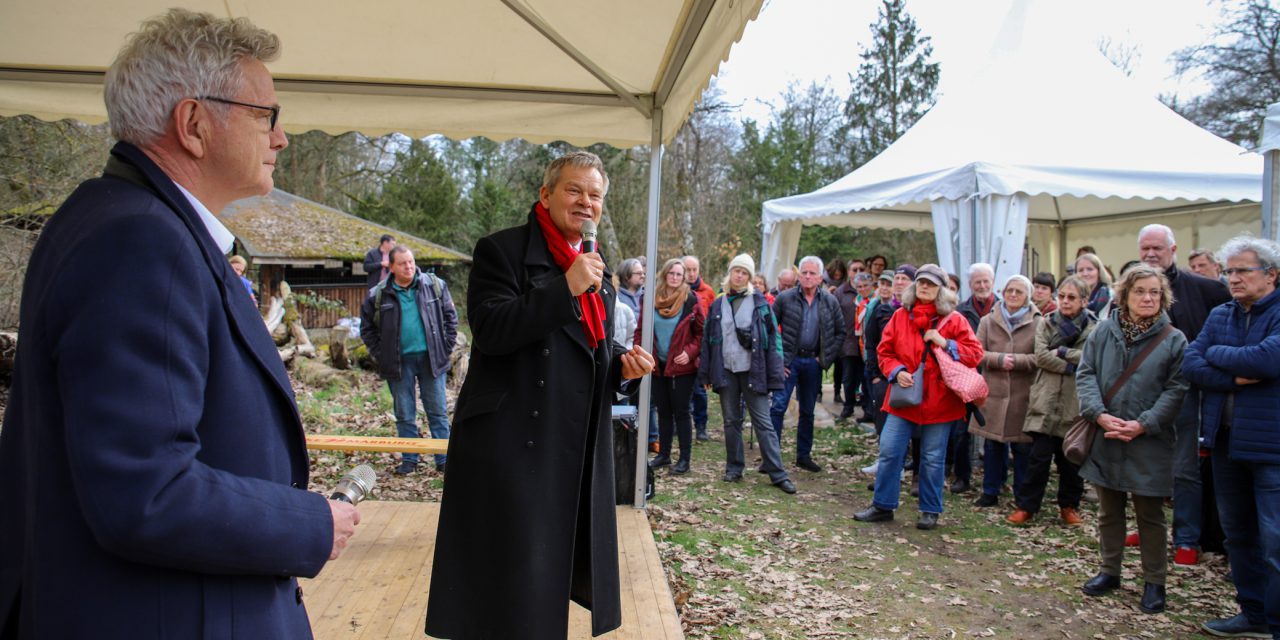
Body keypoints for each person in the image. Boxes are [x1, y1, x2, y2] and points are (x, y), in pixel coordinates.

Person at [0, 10, 358, 637]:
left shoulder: (119, 219)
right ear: (193, 124)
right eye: (266, 116)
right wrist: (310, 522)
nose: (281, 139)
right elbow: (146, 493)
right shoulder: (141, 242)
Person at [425, 151, 655, 639]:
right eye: (574, 191)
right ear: (546, 195)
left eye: (594, 195)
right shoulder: (501, 251)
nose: (585, 203)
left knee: (547, 575)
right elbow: (491, 331)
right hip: (511, 442)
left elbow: (586, 353)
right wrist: (564, 288)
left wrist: (621, 368)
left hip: (569, 440)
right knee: (508, 581)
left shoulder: (596, 270)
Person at [1076, 264, 1188, 615]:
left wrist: (1144, 424)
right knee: (1109, 510)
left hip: (1149, 440)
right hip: (1106, 433)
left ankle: (1155, 582)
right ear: (1125, 294)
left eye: (1154, 292)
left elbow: (1177, 389)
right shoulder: (1104, 331)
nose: (1148, 298)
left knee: (1150, 515)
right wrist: (1097, 413)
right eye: (1140, 291)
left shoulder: (1174, 339)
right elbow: (1086, 373)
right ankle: (1109, 571)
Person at [1183, 235, 1280, 639]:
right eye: (1228, 271)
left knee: (1275, 542)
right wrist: (1236, 373)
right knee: (1237, 534)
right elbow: (1191, 361)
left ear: (1272, 275)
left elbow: (1269, 359)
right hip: (1223, 441)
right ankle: (1253, 613)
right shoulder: (1222, 313)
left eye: (1243, 270)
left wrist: (1218, 356)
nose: (1233, 278)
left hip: (1272, 446)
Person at [854, 264, 984, 530]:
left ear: (941, 290)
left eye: (931, 284)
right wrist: (896, 371)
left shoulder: (955, 320)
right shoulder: (901, 315)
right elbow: (884, 351)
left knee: (933, 457)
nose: (925, 287)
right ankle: (883, 505)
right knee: (890, 451)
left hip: (941, 401)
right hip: (904, 398)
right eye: (922, 282)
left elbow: (975, 353)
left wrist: (945, 342)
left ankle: (930, 510)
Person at [1135, 223, 1231, 565]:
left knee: (1184, 468)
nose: (1150, 253)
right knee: (1144, 463)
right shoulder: (1132, 290)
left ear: (1173, 250)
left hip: (1186, 393)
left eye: (1157, 248)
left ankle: (1187, 537)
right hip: (1141, 391)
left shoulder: (1206, 289)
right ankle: (1147, 526)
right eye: (1145, 247)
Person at [698, 254, 797, 495]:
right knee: (731, 421)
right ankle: (734, 468)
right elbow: (708, 342)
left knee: (763, 422)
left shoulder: (760, 303)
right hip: (727, 370)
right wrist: (706, 374)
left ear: (750, 277)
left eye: (744, 272)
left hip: (755, 370)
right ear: (730, 273)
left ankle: (778, 473)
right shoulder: (717, 304)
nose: (739, 276)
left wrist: (776, 372)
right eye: (736, 271)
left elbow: (774, 339)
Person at [360, 246, 459, 474]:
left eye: (411, 262)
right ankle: (410, 459)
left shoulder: (434, 286)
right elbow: (367, 329)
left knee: (438, 412)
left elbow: (451, 319)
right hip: (398, 362)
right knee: (405, 414)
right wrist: (380, 353)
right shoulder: (378, 294)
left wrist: (445, 349)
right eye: (403, 263)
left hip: (431, 360)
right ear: (392, 267)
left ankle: (444, 459)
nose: (409, 267)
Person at [1009, 275, 1096, 525]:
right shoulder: (1046, 323)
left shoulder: (1094, 328)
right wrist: (1070, 365)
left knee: (1071, 461)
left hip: (1074, 401)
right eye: (1062, 297)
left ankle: (1069, 506)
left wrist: (1063, 352)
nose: (1065, 302)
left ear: (1083, 301)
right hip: (1045, 399)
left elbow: (1091, 358)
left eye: (1071, 298)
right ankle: (1027, 507)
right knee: (1038, 459)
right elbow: (1041, 357)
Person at [771, 256, 846, 472]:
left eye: (812, 273)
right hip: (789, 361)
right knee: (778, 407)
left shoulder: (830, 302)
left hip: (813, 362)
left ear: (820, 277)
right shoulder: (785, 298)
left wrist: (825, 359)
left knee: (807, 411)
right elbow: (769, 328)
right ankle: (772, 456)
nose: (807, 276)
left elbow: (841, 332)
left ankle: (803, 456)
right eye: (804, 272)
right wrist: (778, 359)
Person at [971, 275, 1041, 508]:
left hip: (1023, 395)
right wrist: (1000, 359)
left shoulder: (1039, 322)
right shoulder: (988, 321)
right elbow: (976, 352)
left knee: (1022, 447)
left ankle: (1022, 495)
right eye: (1009, 290)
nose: (1012, 295)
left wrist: (1018, 361)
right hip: (994, 392)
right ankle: (990, 491)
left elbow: (1041, 356)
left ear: (1027, 297)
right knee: (992, 445)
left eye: (1018, 292)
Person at [637, 258, 704, 475]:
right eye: (672, 273)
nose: (675, 278)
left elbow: (701, 333)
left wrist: (690, 352)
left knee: (682, 412)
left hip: (682, 367)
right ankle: (664, 454)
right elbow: (640, 329)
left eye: (679, 274)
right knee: (663, 411)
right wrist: (640, 352)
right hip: (657, 365)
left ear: (684, 277)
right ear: (665, 274)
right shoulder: (650, 298)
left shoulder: (691, 299)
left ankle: (684, 459)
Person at [951, 263, 1000, 494]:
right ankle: (962, 476)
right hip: (967, 379)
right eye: (977, 282)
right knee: (961, 432)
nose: (982, 286)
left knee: (996, 433)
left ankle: (995, 481)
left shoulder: (1002, 308)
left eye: (985, 282)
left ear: (992, 283)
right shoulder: (960, 311)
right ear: (970, 285)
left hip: (996, 378)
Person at [861, 270, 902, 440]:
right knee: (881, 412)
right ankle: (884, 453)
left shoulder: (902, 310)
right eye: (882, 284)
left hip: (902, 372)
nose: (885, 288)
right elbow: (870, 342)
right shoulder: (875, 308)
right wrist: (874, 373)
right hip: (880, 371)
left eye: (888, 284)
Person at [684, 255, 715, 441]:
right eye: (688, 269)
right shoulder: (675, 290)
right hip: (680, 349)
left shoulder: (707, 292)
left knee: (700, 391)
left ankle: (701, 426)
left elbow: (710, 321)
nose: (691, 273)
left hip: (700, 349)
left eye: (694, 269)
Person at [834, 270, 869, 420]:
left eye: (865, 285)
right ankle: (848, 406)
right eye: (859, 286)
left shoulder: (873, 301)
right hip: (848, 341)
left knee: (865, 377)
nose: (862, 288)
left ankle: (867, 407)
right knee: (848, 377)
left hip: (865, 344)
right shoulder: (842, 293)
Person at [1073, 253, 1112, 318]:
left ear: (1099, 272)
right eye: (1080, 270)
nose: (1085, 274)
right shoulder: (1070, 296)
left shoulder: (1110, 295)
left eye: (1089, 269)